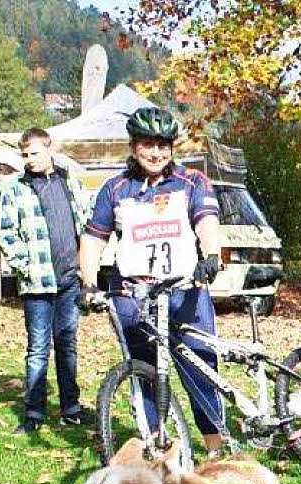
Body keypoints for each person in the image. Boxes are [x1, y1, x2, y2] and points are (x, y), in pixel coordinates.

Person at [78, 107, 226, 456]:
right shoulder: (115, 189)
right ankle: (156, 447)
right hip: (133, 294)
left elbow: (207, 222)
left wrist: (211, 256)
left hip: (184, 292)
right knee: (145, 372)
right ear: (134, 146)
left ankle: (216, 449)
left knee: (201, 368)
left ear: (172, 147)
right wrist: (88, 282)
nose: (156, 153)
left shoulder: (193, 182)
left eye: (163, 145)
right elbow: (93, 238)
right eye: (148, 144)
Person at [0, 128, 93, 434]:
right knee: (38, 349)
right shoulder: (15, 188)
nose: (30, 159)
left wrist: (85, 266)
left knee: (67, 346)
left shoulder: (69, 182)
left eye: (35, 153)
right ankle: (34, 414)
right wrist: (24, 266)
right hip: (37, 283)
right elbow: (5, 231)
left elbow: (88, 222)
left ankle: (71, 409)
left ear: (50, 150)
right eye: (24, 155)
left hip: (69, 280)